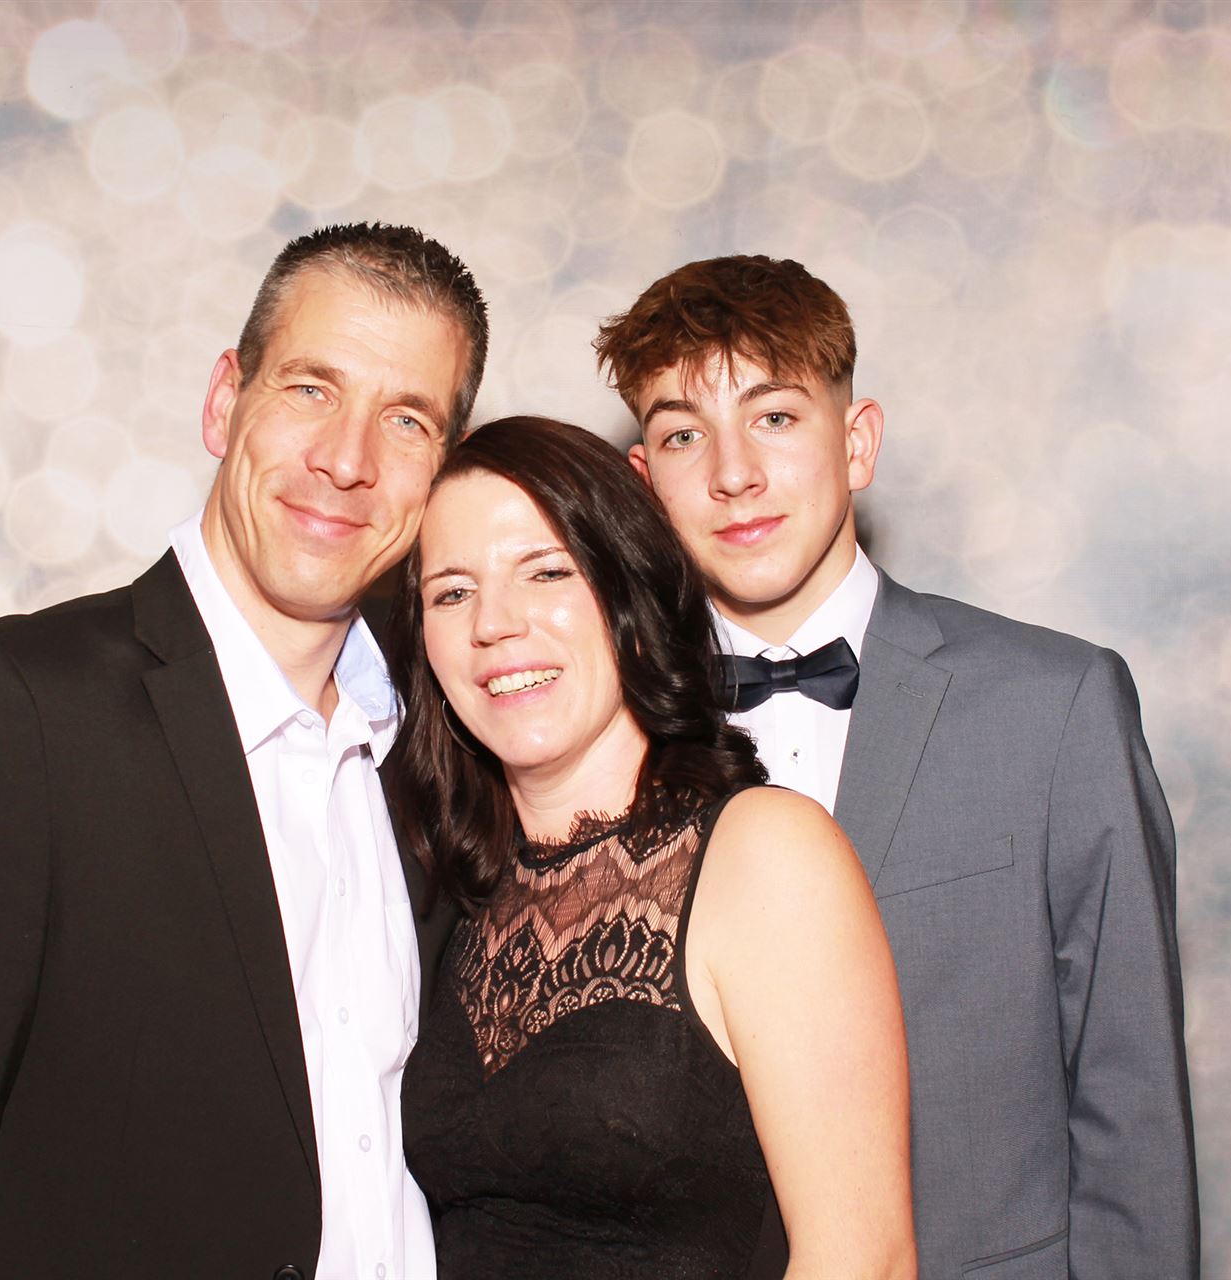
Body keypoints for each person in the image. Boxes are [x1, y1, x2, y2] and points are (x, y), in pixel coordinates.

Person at [0, 223, 488, 1279]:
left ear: (444, 469)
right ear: (224, 401)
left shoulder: (444, 746)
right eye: (310, 389)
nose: (347, 460)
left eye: (406, 420)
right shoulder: (10, 713)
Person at [597, 255, 1199, 1278]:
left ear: (857, 441)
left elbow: (1131, 1104)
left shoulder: (1053, 707)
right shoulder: (604, 737)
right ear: (644, 481)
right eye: (684, 434)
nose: (734, 473)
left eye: (774, 417)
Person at [389, 417, 916, 1279]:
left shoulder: (766, 856)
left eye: (546, 572)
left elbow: (865, 1259)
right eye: (452, 593)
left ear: (629, 597)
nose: (494, 624)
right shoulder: (456, 896)